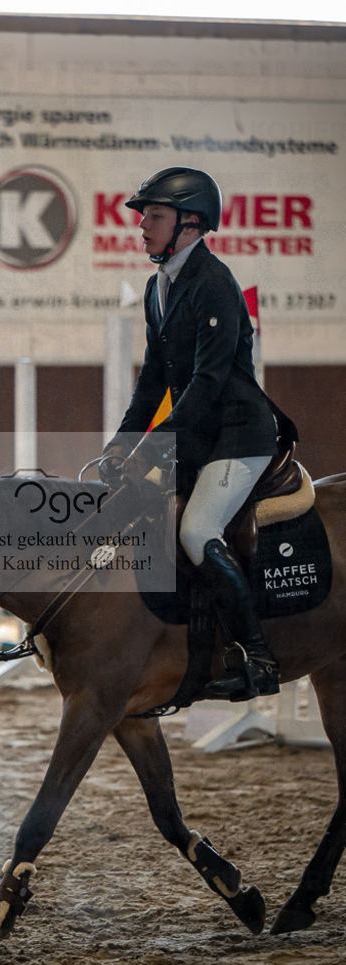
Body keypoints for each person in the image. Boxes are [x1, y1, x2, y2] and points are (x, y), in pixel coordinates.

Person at [99, 166, 298, 703]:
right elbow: (156, 381)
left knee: (195, 531)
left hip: (239, 432)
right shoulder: (156, 287)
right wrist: (121, 443)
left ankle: (257, 655)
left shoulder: (212, 282)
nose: (143, 227)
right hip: (200, 436)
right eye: (144, 218)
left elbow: (208, 384)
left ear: (191, 224)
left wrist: (152, 449)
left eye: (155, 217)